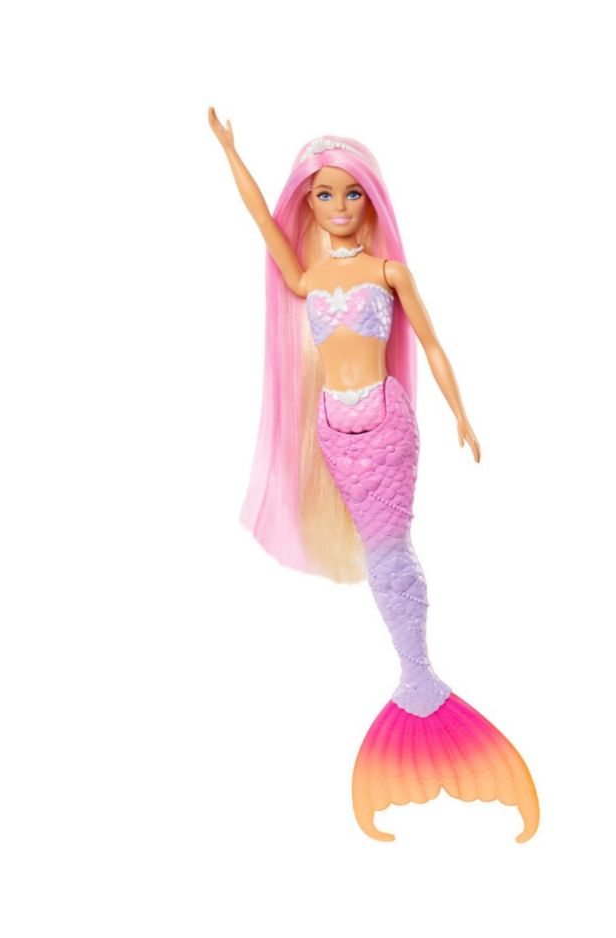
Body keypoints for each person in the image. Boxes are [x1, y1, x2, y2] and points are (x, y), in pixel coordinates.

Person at [209, 108, 539, 842]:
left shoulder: (389, 273)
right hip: (335, 429)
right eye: (323, 194)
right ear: (308, 201)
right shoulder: (307, 277)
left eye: (350, 193)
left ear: (371, 198)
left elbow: (433, 342)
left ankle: (419, 679)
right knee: (378, 548)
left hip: (387, 426)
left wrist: (461, 413)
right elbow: (261, 221)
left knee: (391, 550)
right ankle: (416, 680)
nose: (337, 206)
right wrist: (231, 153)